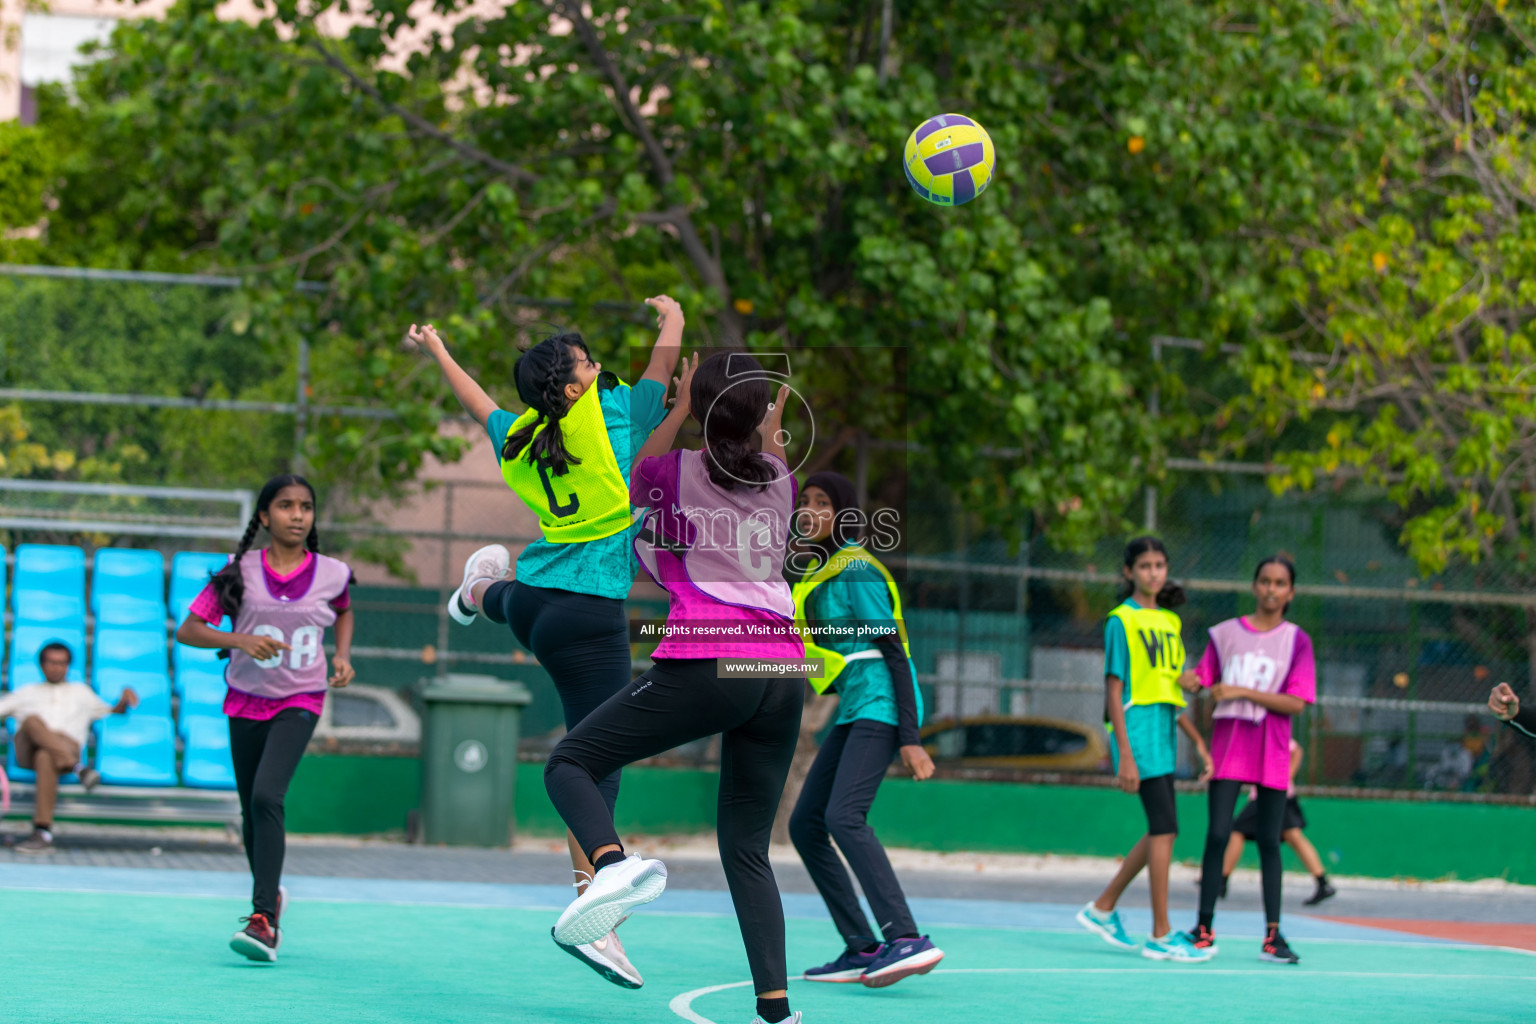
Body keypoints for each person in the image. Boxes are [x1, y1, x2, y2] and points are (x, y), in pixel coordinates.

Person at [406, 298, 680, 989]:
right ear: (573, 386)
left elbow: (479, 406)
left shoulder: (522, 436)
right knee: (597, 763)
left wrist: (439, 351)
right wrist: (672, 317)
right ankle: (597, 898)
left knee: (586, 751)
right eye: (590, 362)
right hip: (587, 619)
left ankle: (478, 593)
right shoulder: (606, 416)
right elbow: (663, 367)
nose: (599, 368)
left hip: (536, 607)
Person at [543, 351, 805, 1024]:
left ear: (700, 404)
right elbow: (765, 444)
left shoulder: (675, 473)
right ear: (758, 416)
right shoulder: (780, 477)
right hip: (779, 672)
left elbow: (630, 471)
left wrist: (684, 401)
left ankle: (611, 865)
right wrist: (753, 401)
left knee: (570, 761)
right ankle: (776, 1011)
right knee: (747, 849)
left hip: (712, 659)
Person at [175, 474, 356, 963]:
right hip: (246, 697)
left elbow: (342, 609)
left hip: (301, 697)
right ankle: (270, 893)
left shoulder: (332, 572)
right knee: (249, 811)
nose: (297, 515)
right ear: (264, 516)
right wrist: (240, 641)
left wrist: (341, 655)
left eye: (305, 507)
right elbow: (188, 629)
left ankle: (264, 921)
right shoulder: (238, 572)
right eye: (285, 506)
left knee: (266, 795)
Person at [787, 471, 944, 988]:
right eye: (804, 502)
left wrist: (911, 737)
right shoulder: (824, 570)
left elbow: (893, 649)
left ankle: (906, 938)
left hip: (881, 700)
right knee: (806, 823)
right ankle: (862, 945)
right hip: (856, 705)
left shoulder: (855, 569)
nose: (810, 511)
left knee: (843, 816)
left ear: (844, 514)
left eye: (823, 503)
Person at [1076, 536, 1214, 962]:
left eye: (1160, 565)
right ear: (1129, 572)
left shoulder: (1169, 622)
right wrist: (1126, 753)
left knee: (1163, 828)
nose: (1154, 572)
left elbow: (1167, 689)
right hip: (1136, 730)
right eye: (1145, 566)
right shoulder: (1121, 620)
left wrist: (1198, 740)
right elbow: (1114, 690)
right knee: (1165, 827)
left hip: (1163, 729)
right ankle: (1160, 934)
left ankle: (1103, 907)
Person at [1178, 554, 1315, 965]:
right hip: (1228, 749)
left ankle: (1273, 937)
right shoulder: (1223, 635)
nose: (1271, 589)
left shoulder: (1297, 640)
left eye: (1280, 583)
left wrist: (1241, 691)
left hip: (1271, 751)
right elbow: (1204, 678)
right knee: (1218, 834)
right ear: (1255, 586)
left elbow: (1296, 702)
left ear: (1290, 592)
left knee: (1270, 842)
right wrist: (1194, 682)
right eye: (1265, 581)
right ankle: (1203, 929)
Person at [0, 642, 137, 853]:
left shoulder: (82, 692)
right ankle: (78, 768)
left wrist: (124, 699)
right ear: (42, 665)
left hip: (61, 750)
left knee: (46, 756)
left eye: (61, 663)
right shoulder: (27, 692)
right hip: (28, 749)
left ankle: (42, 832)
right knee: (32, 721)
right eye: (52, 663)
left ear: (68, 666)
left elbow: (110, 712)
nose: (56, 668)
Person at [1217, 739, 1336, 907]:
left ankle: (1221, 881)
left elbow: (1296, 750)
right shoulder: (1252, 730)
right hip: (1271, 793)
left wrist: (1287, 777)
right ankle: (1322, 883)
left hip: (1273, 793)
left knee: (1238, 830)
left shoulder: (1268, 727)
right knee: (1293, 836)